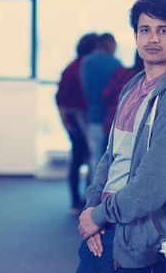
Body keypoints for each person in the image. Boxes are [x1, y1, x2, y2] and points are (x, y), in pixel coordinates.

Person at [76, 0, 166, 272]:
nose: (153, 39)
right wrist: (92, 210)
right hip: (108, 219)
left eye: (163, 30)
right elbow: (110, 157)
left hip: (137, 230)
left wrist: (99, 217)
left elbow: (153, 183)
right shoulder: (133, 87)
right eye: (145, 30)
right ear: (135, 36)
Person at [56, 33, 97, 214]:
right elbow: (61, 100)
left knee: (83, 158)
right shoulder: (78, 67)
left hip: (80, 120)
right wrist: (66, 123)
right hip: (77, 120)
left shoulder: (78, 65)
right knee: (81, 159)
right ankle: (77, 201)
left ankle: (80, 201)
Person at [81, 33, 122, 181]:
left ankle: (90, 197)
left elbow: (85, 91)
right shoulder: (115, 63)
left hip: (93, 116)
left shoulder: (86, 63)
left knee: (94, 159)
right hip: (111, 119)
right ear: (109, 44)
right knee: (109, 162)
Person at [102, 51, 144, 138]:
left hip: (114, 123)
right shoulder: (152, 80)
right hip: (137, 130)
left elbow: (106, 95)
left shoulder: (122, 73)